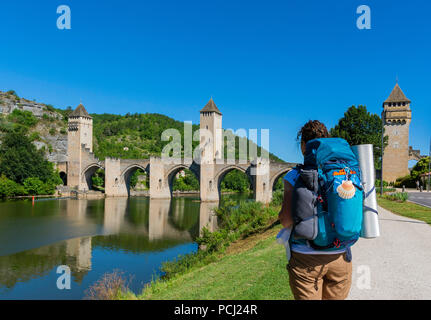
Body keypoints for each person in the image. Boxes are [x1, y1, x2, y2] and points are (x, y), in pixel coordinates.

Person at [278, 120, 352, 300]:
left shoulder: (294, 175)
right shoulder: (345, 172)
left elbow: (286, 220)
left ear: (303, 146)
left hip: (306, 259)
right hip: (340, 257)